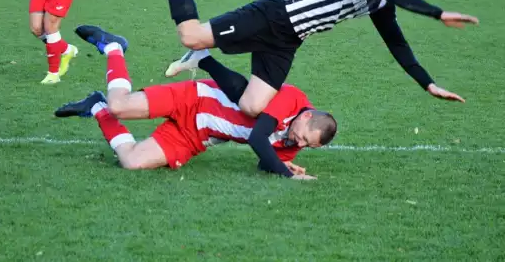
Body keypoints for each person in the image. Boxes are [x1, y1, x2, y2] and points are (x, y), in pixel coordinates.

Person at [125, 0, 479, 122]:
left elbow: (397, 44)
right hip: (274, 14)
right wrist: (438, 13)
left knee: (251, 105)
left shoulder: (383, 0)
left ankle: (202, 59)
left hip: (290, 39)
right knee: (189, 33)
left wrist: (428, 83)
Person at [56, 25, 338, 179]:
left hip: (196, 136)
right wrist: (287, 176)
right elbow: (257, 138)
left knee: (131, 161)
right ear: (305, 116)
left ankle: (96, 105)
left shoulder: (295, 141)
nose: (298, 145)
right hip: (195, 98)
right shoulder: (292, 98)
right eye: (302, 138)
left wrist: (284, 167)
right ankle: (115, 47)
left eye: (306, 146)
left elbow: (265, 162)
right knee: (120, 106)